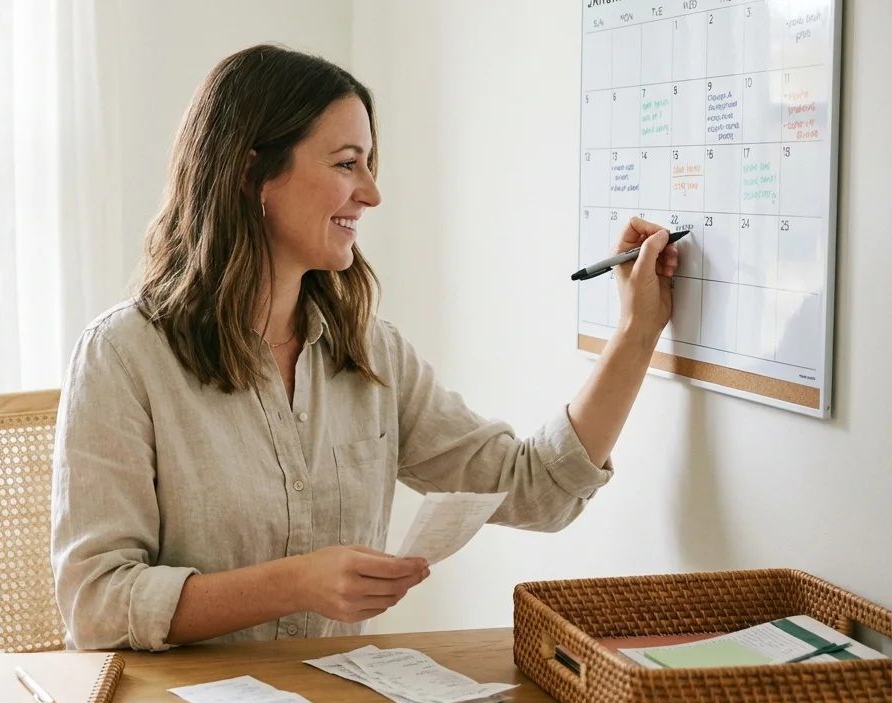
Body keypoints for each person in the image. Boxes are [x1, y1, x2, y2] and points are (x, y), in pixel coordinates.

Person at [48, 44, 679, 652]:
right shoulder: (123, 357)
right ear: (251, 175)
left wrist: (635, 332)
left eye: (368, 164)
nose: (372, 193)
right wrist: (294, 583)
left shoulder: (371, 355)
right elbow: (96, 604)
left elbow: (534, 487)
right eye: (347, 164)